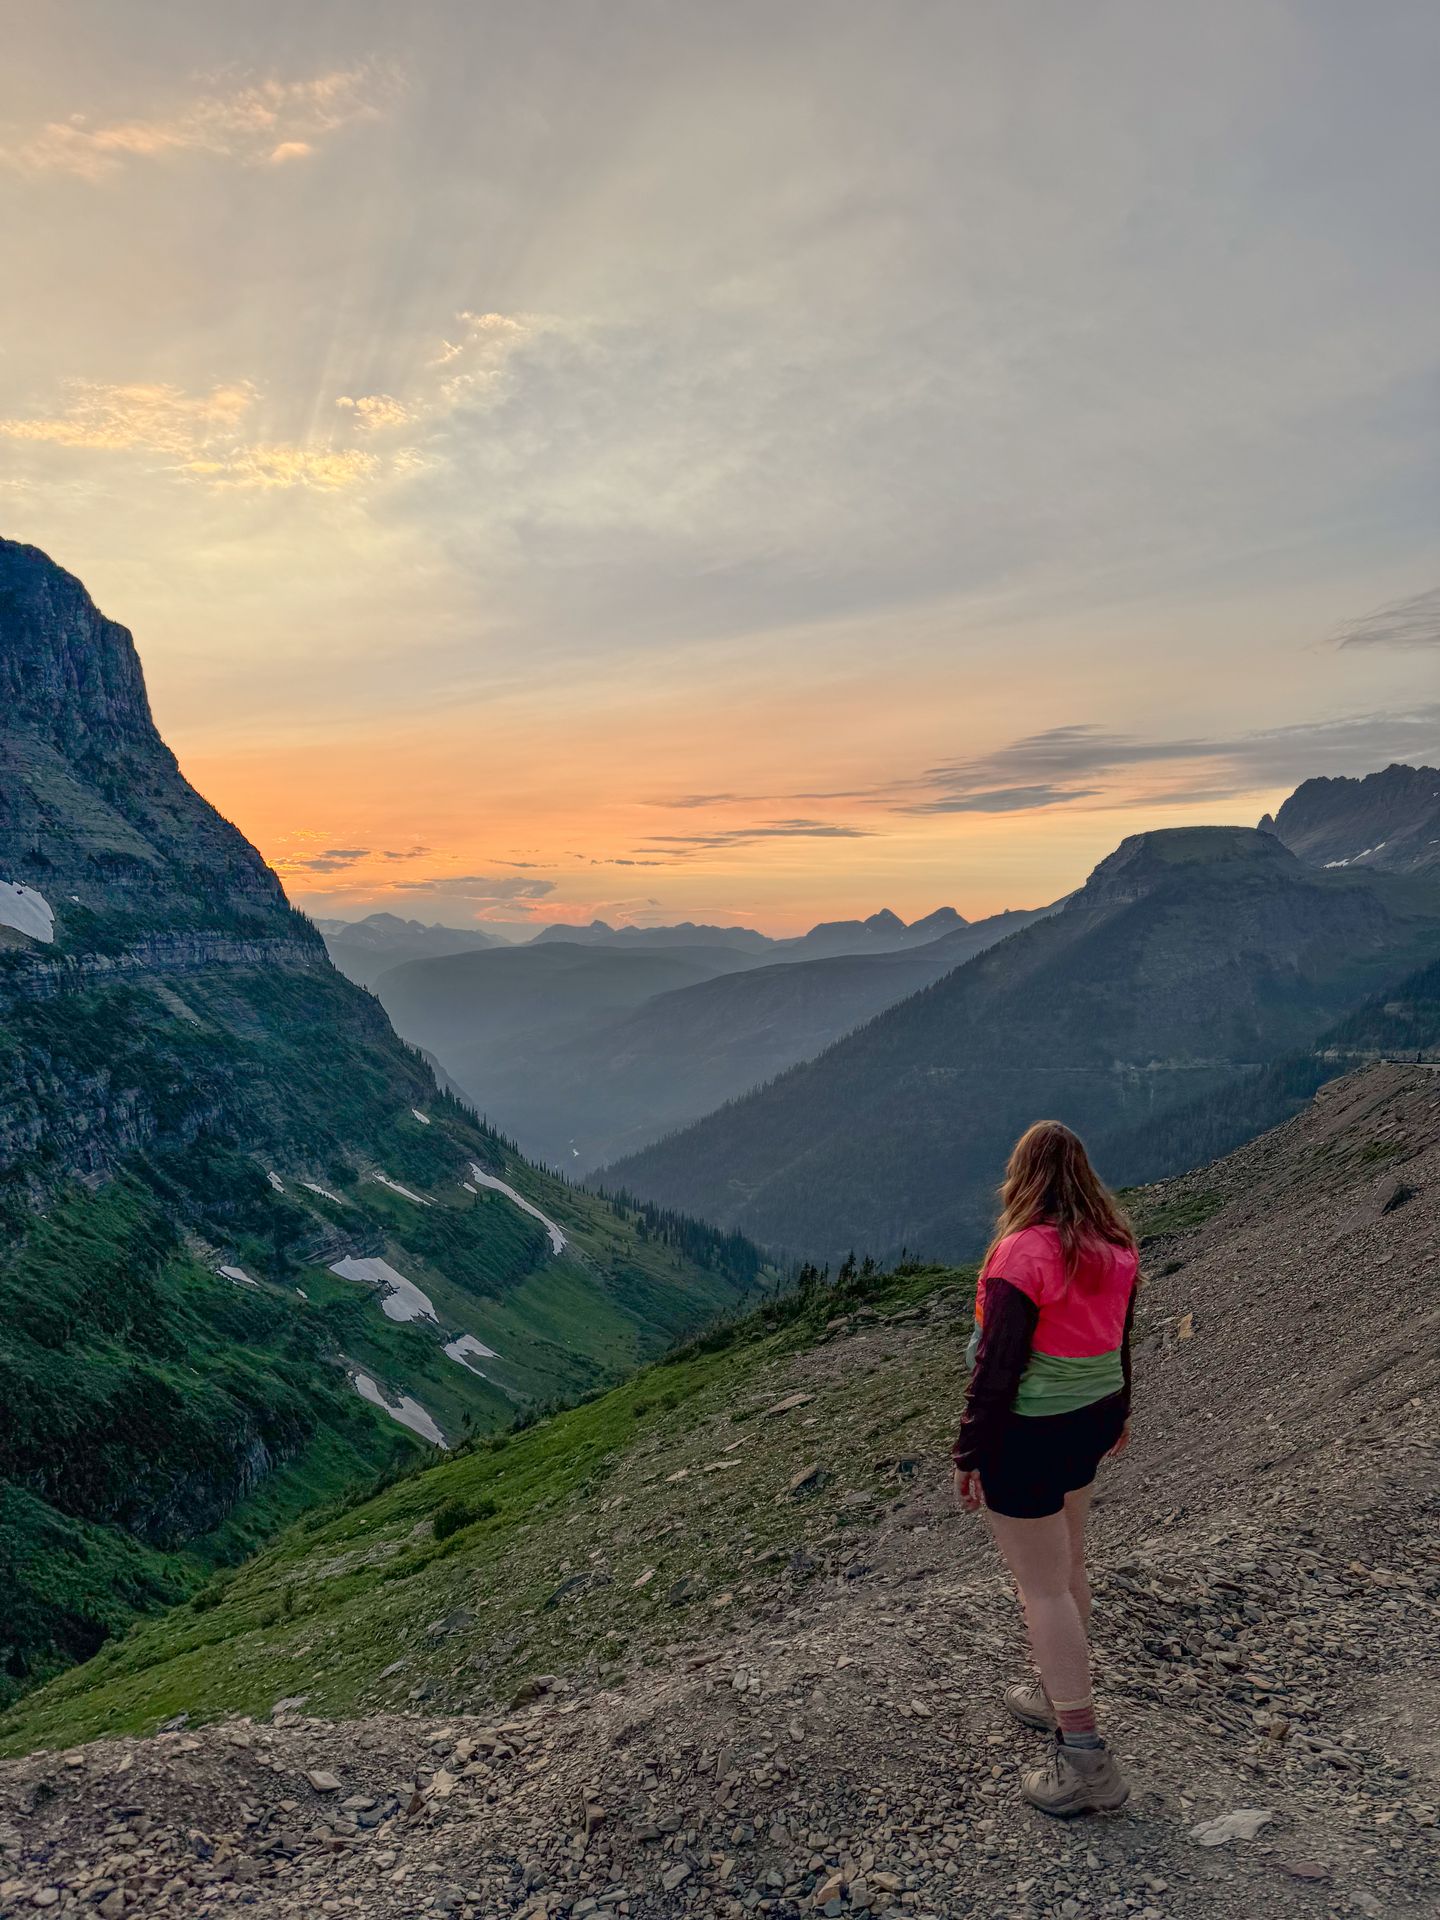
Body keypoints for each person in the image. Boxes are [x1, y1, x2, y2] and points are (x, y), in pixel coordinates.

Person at [951, 1120, 1139, 1816]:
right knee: (1069, 1569)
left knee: (1043, 1591)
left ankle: (1084, 1757)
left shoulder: (1019, 1255)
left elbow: (995, 1370)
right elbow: (1120, 1340)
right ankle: (1056, 1690)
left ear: (1022, 1175)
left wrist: (969, 1453)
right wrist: (1120, 1414)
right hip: (1088, 1420)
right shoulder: (1115, 1248)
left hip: (1027, 1434)